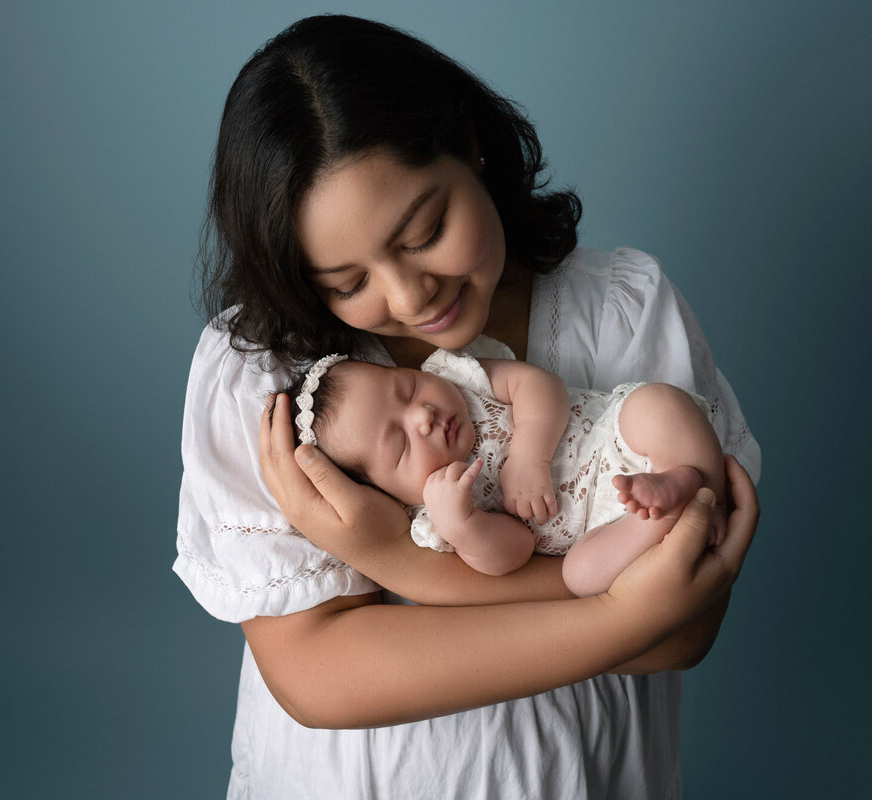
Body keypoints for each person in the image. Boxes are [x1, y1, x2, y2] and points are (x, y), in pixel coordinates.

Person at [174, 14, 761, 799]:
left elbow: (682, 626)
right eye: (348, 283)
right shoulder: (269, 381)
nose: (410, 294)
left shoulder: (617, 312)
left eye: (426, 230)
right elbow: (319, 672)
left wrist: (394, 559)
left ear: (470, 144)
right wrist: (620, 615)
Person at [279, 345, 727, 597]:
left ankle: (701, 489)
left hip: (617, 436)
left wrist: (529, 456)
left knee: (658, 404)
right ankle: (669, 514)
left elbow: (539, 385)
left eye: (408, 388)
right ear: (388, 492)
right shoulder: (436, 515)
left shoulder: (461, 378)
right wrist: (466, 526)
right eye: (400, 445)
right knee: (580, 577)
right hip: (604, 524)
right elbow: (517, 549)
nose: (422, 417)